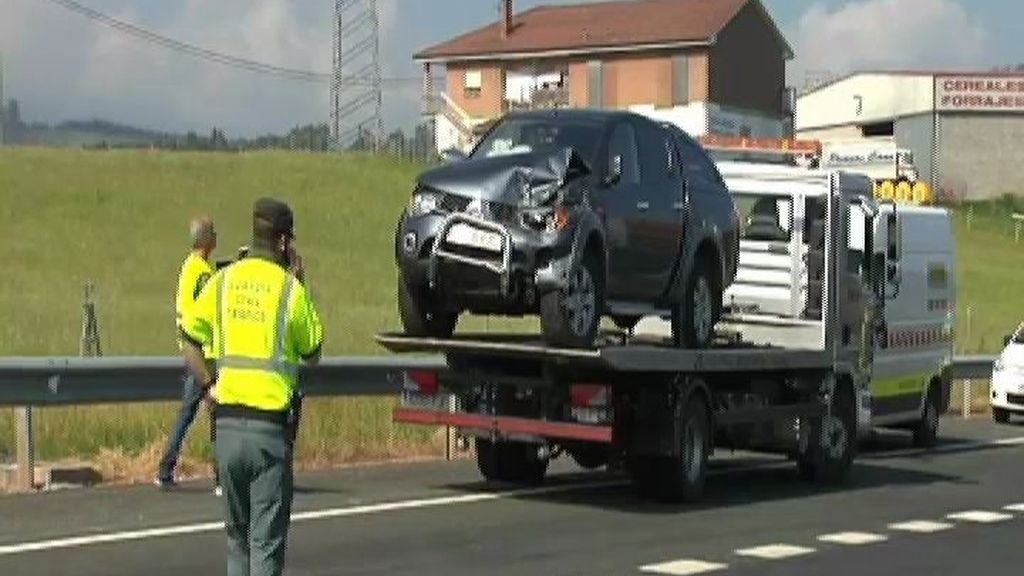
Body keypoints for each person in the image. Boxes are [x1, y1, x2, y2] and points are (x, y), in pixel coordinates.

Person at [179, 197, 323, 576]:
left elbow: (188, 338)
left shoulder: (223, 281)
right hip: (269, 433)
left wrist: (209, 385)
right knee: (266, 545)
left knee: (237, 540)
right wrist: (300, 282)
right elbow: (313, 351)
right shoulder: (289, 291)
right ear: (283, 242)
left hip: (226, 429)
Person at [157, 216, 221, 493]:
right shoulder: (202, 272)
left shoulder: (190, 266)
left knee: (188, 411)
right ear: (207, 240)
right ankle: (222, 476)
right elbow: (207, 308)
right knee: (217, 409)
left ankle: (165, 468)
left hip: (190, 348)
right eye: (214, 233)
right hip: (203, 351)